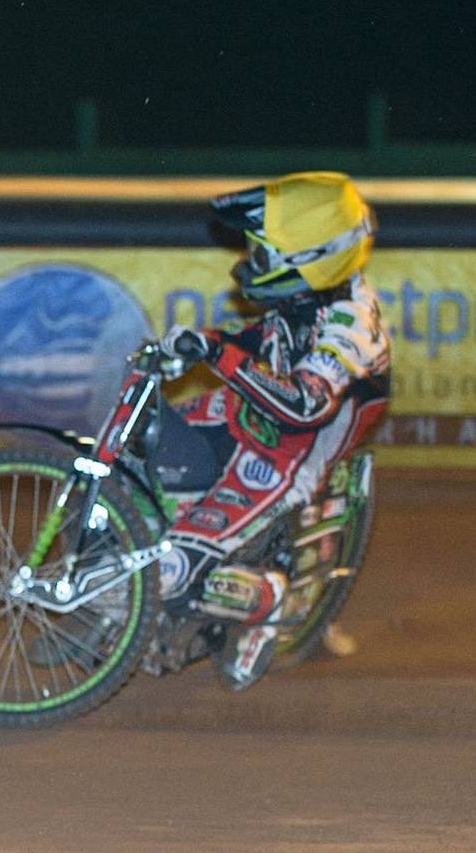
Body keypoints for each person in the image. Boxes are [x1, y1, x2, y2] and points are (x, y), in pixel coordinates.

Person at [153, 171, 391, 688]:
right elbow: (265, 336)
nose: (249, 264)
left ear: (312, 260)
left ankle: (267, 600)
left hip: (287, 456)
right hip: (241, 415)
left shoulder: (350, 327)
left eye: (262, 255)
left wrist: (219, 354)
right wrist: (199, 344)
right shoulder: (310, 296)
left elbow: (304, 408)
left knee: (170, 574)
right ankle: (107, 610)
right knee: (137, 446)